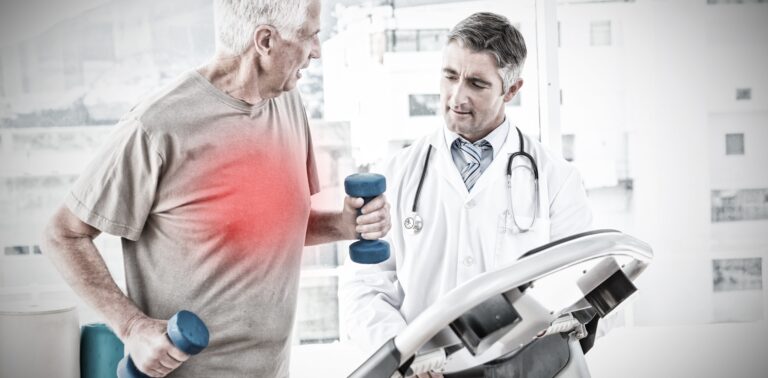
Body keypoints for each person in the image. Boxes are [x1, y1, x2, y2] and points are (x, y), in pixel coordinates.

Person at [42, 0, 390, 377]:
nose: (317, 51)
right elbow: (63, 235)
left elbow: (269, 227)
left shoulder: (288, 103)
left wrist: (343, 225)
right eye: (310, 36)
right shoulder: (157, 126)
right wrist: (132, 328)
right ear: (266, 41)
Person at [340, 12, 593, 376]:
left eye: (477, 83)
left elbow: (575, 286)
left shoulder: (557, 178)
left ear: (512, 90)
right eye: (449, 76)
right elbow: (363, 286)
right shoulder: (396, 173)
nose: (457, 96)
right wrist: (406, 356)